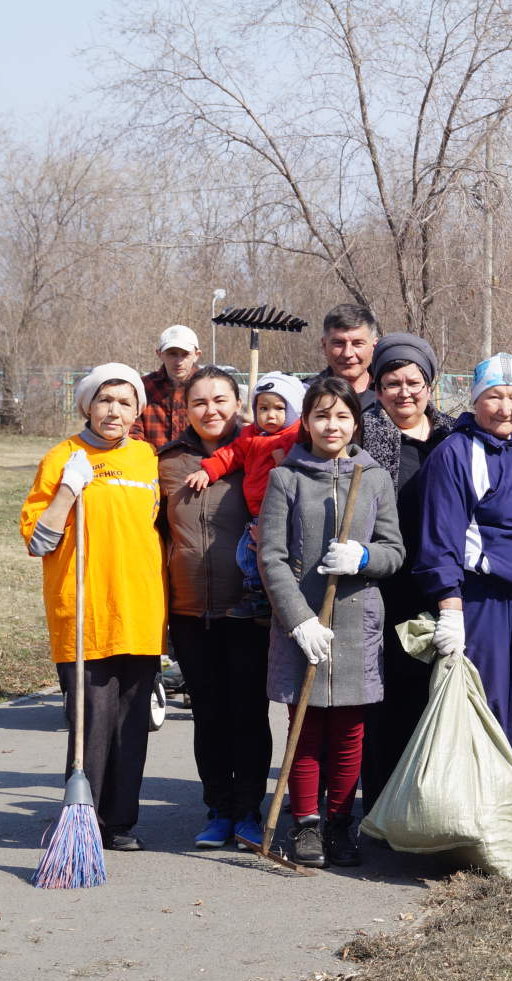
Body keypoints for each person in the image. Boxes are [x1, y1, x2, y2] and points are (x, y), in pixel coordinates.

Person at [416, 353, 512, 849]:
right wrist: (449, 606)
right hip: (483, 602)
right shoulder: (457, 453)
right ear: (475, 400)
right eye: (494, 397)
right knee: (488, 710)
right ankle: (476, 821)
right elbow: (442, 537)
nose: (505, 408)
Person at [258, 376, 403, 868]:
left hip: (356, 623)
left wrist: (362, 556)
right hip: (302, 624)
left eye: (342, 415)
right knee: (305, 726)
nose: (332, 424)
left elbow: (395, 552)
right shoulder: (287, 477)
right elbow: (272, 558)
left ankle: (341, 822)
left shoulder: (375, 477)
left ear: (355, 422)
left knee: (348, 732)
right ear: (307, 422)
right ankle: (306, 825)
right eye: (321, 415)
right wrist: (299, 620)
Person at [21, 364, 165, 852]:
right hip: (85, 616)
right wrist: (67, 488)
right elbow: (37, 541)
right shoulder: (63, 457)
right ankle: (81, 821)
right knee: (91, 724)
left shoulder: (147, 459)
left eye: (126, 402)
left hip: (140, 614)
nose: (114, 410)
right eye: (105, 400)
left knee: (132, 725)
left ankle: (119, 823)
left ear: (137, 412)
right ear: (87, 404)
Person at [157, 367, 275, 850]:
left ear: (238, 402)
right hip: (191, 611)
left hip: (247, 610)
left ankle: (248, 809)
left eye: (221, 400)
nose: (212, 411)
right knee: (208, 715)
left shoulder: (261, 452)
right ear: (185, 409)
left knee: (248, 713)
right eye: (200, 402)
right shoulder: (166, 462)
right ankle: (218, 808)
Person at [359, 333, 454, 810]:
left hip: (443, 583)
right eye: (392, 383)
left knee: (437, 693)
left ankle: (429, 803)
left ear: (430, 385)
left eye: (413, 382)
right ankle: (381, 805)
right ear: (377, 389)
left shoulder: (455, 436)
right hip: (383, 584)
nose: (404, 392)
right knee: (386, 697)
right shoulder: (363, 435)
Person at [183, 372, 305, 620]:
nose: (270, 416)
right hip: (257, 511)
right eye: (263, 408)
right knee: (247, 552)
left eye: (279, 408)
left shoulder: (296, 437)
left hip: (283, 511)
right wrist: (209, 471)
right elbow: (229, 456)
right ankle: (256, 594)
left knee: (261, 553)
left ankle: (265, 595)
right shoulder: (249, 437)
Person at [131, 325, 203, 450]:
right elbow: (133, 431)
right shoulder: (143, 387)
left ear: (197, 354)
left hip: (201, 464)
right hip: (153, 463)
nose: (179, 361)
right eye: (172, 354)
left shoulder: (209, 387)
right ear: (159, 354)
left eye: (185, 354)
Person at [316, 304, 380, 411]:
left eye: (357, 343)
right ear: (324, 345)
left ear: (374, 346)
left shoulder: (392, 394)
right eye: (339, 343)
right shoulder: (305, 394)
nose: (347, 353)